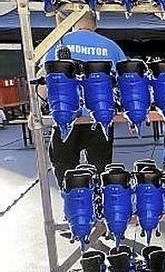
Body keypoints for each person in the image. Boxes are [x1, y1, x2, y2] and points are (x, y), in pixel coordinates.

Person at [40, 10, 126, 187]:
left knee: (64, 168)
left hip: (67, 119)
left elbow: (42, 83)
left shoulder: (58, 44)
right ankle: (100, 206)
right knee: (102, 169)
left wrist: (38, 108)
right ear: (95, 24)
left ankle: (72, 206)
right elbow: (126, 84)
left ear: (73, 22)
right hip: (99, 120)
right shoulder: (111, 47)